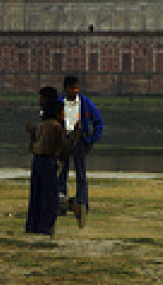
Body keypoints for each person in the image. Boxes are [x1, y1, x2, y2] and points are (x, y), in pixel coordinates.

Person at [26, 87, 81, 235]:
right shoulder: (56, 126)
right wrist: (76, 135)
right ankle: (46, 227)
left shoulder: (42, 125)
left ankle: (33, 226)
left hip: (38, 162)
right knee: (49, 197)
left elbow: (33, 146)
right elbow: (64, 147)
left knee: (37, 196)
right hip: (48, 162)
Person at [57, 75, 104, 223]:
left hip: (79, 141)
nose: (74, 91)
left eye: (76, 88)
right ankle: (61, 205)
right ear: (66, 89)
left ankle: (82, 203)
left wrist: (90, 140)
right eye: (72, 88)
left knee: (81, 175)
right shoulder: (59, 103)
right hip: (63, 142)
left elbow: (98, 121)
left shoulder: (85, 103)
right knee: (61, 175)